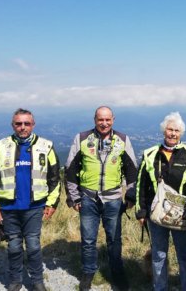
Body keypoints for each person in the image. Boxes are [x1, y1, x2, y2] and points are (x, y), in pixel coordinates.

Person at [0, 108, 61, 291]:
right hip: (9, 207)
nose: (22, 127)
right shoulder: (1, 146)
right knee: (14, 246)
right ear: (13, 125)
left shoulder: (46, 146)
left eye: (27, 123)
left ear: (33, 125)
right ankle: (15, 281)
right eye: (18, 124)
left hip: (35, 207)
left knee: (33, 246)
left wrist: (52, 203)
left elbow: (55, 178)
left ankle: (37, 280)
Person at [65, 106, 138, 291]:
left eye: (107, 119)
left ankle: (117, 272)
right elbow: (70, 168)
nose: (104, 123)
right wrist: (74, 197)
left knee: (114, 239)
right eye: (100, 120)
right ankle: (88, 272)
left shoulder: (122, 140)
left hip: (113, 198)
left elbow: (131, 169)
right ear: (94, 120)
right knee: (88, 240)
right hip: (88, 197)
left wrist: (130, 195)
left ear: (113, 119)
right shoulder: (81, 138)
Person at [135, 112, 186, 291]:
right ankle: (160, 288)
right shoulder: (150, 154)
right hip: (156, 213)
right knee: (159, 253)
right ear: (164, 131)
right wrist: (141, 211)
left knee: (184, 254)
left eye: (177, 130)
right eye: (170, 129)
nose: (173, 133)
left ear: (181, 133)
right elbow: (141, 184)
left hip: (182, 216)